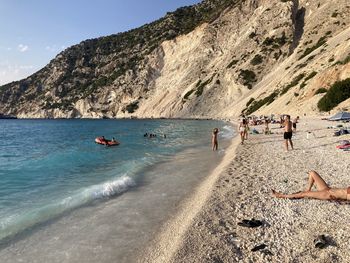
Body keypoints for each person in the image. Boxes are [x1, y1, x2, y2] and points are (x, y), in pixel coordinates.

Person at [272, 171, 350, 201]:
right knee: (312, 173)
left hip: (328, 194)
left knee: (303, 194)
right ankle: (308, 189)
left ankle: (281, 195)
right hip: (328, 189)